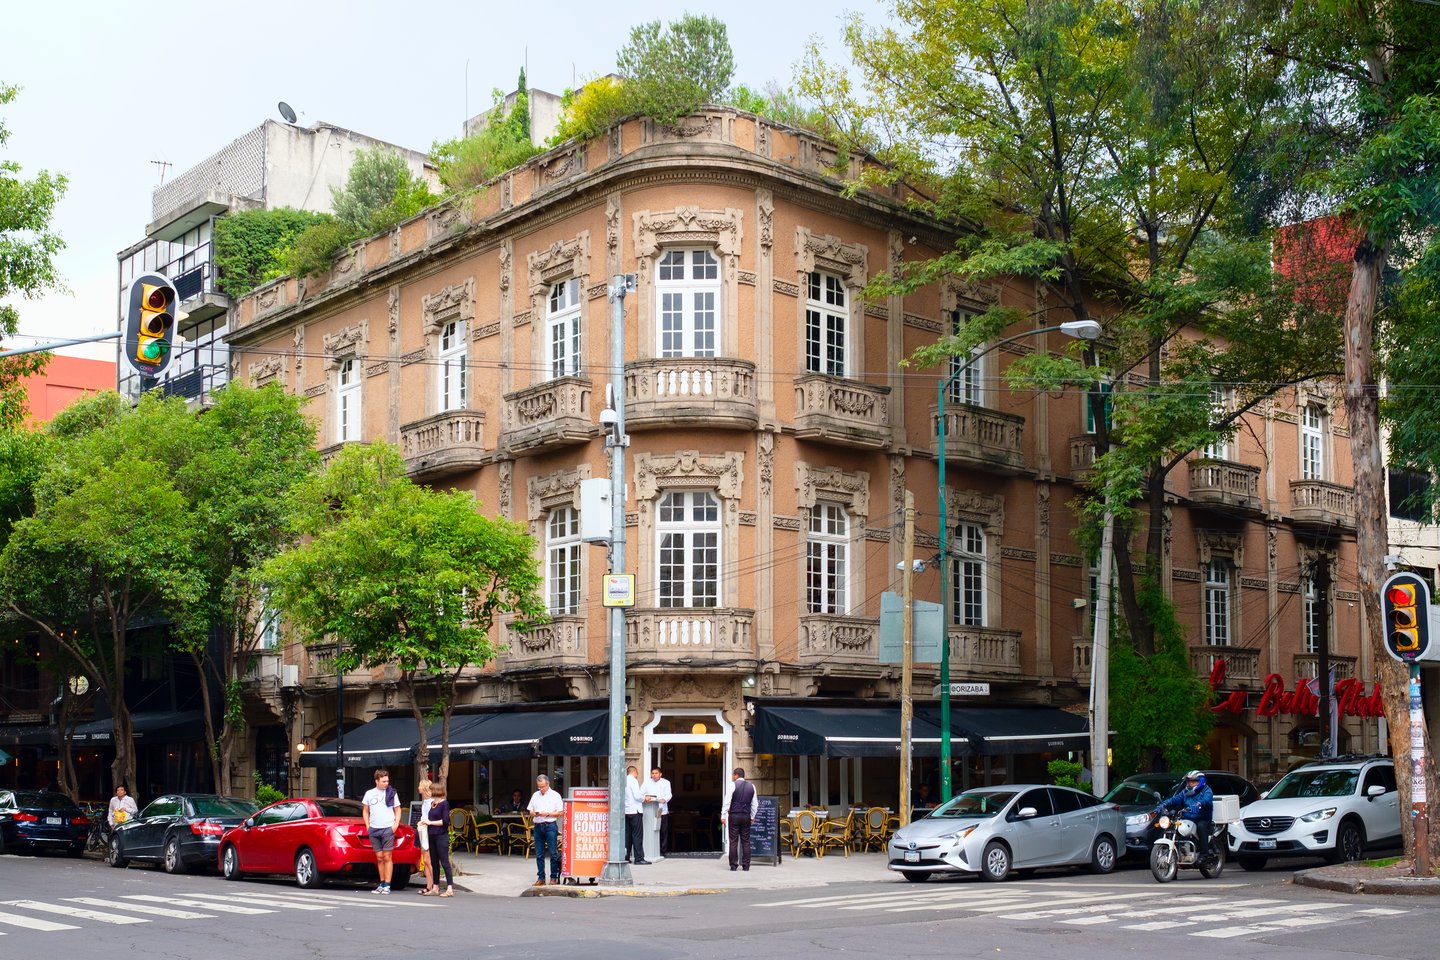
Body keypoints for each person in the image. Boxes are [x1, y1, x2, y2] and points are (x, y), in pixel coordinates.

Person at [1158, 770, 1214, 862]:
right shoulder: (1185, 791)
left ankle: (1204, 854)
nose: (1190, 783)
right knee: (1173, 827)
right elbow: (1175, 799)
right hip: (1187, 818)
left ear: (1201, 781)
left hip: (1202, 818)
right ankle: (1175, 860)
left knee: (1201, 826)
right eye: (1189, 781)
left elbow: (1207, 800)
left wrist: (1199, 804)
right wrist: (1164, 804)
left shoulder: (1207, 790)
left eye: (1193, 781)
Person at [361, 768, 402, 894]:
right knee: (379, 857)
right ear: (377, 781)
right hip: (374, 828)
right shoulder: (369, 793)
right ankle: (382, 883)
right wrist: (368, 826)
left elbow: (398, 809)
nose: (386, 784)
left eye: (387, 781)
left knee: (387, 856)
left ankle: (388, 885)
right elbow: (365, 810)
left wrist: (395, 825)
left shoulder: (391, 793)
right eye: (383, 781)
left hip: (387, 828)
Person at [527, 774, 563, 886]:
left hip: (550, 825)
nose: (541, 789)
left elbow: (561, 812)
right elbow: (530, 810)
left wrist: (548, 813)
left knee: (553, 853)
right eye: (539, 787)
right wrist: (533, 813)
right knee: (539, 854)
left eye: (543, 786)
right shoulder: (535, 795)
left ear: (548, 784)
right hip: (538, 825)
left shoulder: (555, 795)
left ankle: (553, 877)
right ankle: (541, 877)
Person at [720, 767, 758, 872]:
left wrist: (723, 815)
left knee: (733, 841)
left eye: (733, 775)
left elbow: (727, 801)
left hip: (734, 816)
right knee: (746, 841)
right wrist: (752, 817)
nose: (733, 777)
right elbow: (755, 804)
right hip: (746, 816)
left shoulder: (733, 785)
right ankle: (746, 865)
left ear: (736, 775)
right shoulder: (752, 787)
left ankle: (733, 865)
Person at [423, 781, 455, 897]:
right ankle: (435, 887)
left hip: (441, 836)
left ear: (436, 791)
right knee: (434, 862)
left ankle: (450, 888)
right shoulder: (433, 804)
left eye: (431, 790)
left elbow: (445, 821)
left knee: (444, 861)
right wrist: (425, 822)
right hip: (432, 835)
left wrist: (430, 822)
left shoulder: (444, 804)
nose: (430, 792)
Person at [624, 765, 649, 864]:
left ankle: (626, 857)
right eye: (637, 774)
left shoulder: (623, 780)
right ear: (635, 772)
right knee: (637, 835)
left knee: (627, 835)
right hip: (635, 811)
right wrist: (645, 798)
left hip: (627, 811)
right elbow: (637, 796)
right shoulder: (633, 780)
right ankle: (639, 858)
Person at [646, 767, 673, 857]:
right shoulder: (647, 782)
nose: (654, 775)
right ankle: (652, 850)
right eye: (652, 773)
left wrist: (664, 800)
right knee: (651, 830)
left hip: (662, 810)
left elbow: (669, 794)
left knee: (663, 831)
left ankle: (663, 850)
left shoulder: (666, 782)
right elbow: (642, 793)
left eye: (656, 773)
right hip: (649, 810)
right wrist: (646, 797)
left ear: (660, 774)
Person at [415, 778, 435, 895]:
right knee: (426, 860)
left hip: (428, 831)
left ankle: (433, 885)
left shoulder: (431, 802)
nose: (418, 788)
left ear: (424, 788)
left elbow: (431, 818)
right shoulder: (426, 801)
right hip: (423, 830)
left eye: (419, 785)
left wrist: (423, 822)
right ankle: (429, 885)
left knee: (428, 860)